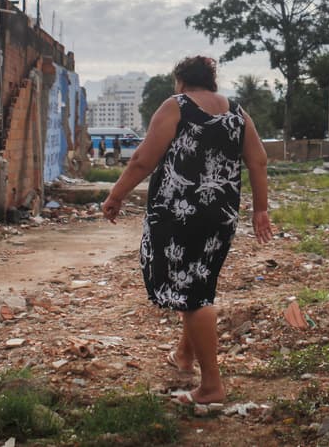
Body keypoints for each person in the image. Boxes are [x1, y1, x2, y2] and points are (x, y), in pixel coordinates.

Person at [101, 56, 272, 405]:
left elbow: (142, 160)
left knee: (194, 295)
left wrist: (116, 195)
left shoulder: (175, 105)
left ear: (180, 82)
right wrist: (260, 209)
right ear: (212, 81)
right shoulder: (238, 113)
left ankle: (211, 386)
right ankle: (184, 355)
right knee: (197, 282)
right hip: (221, 215)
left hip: (180, 215)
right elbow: (258, 160)